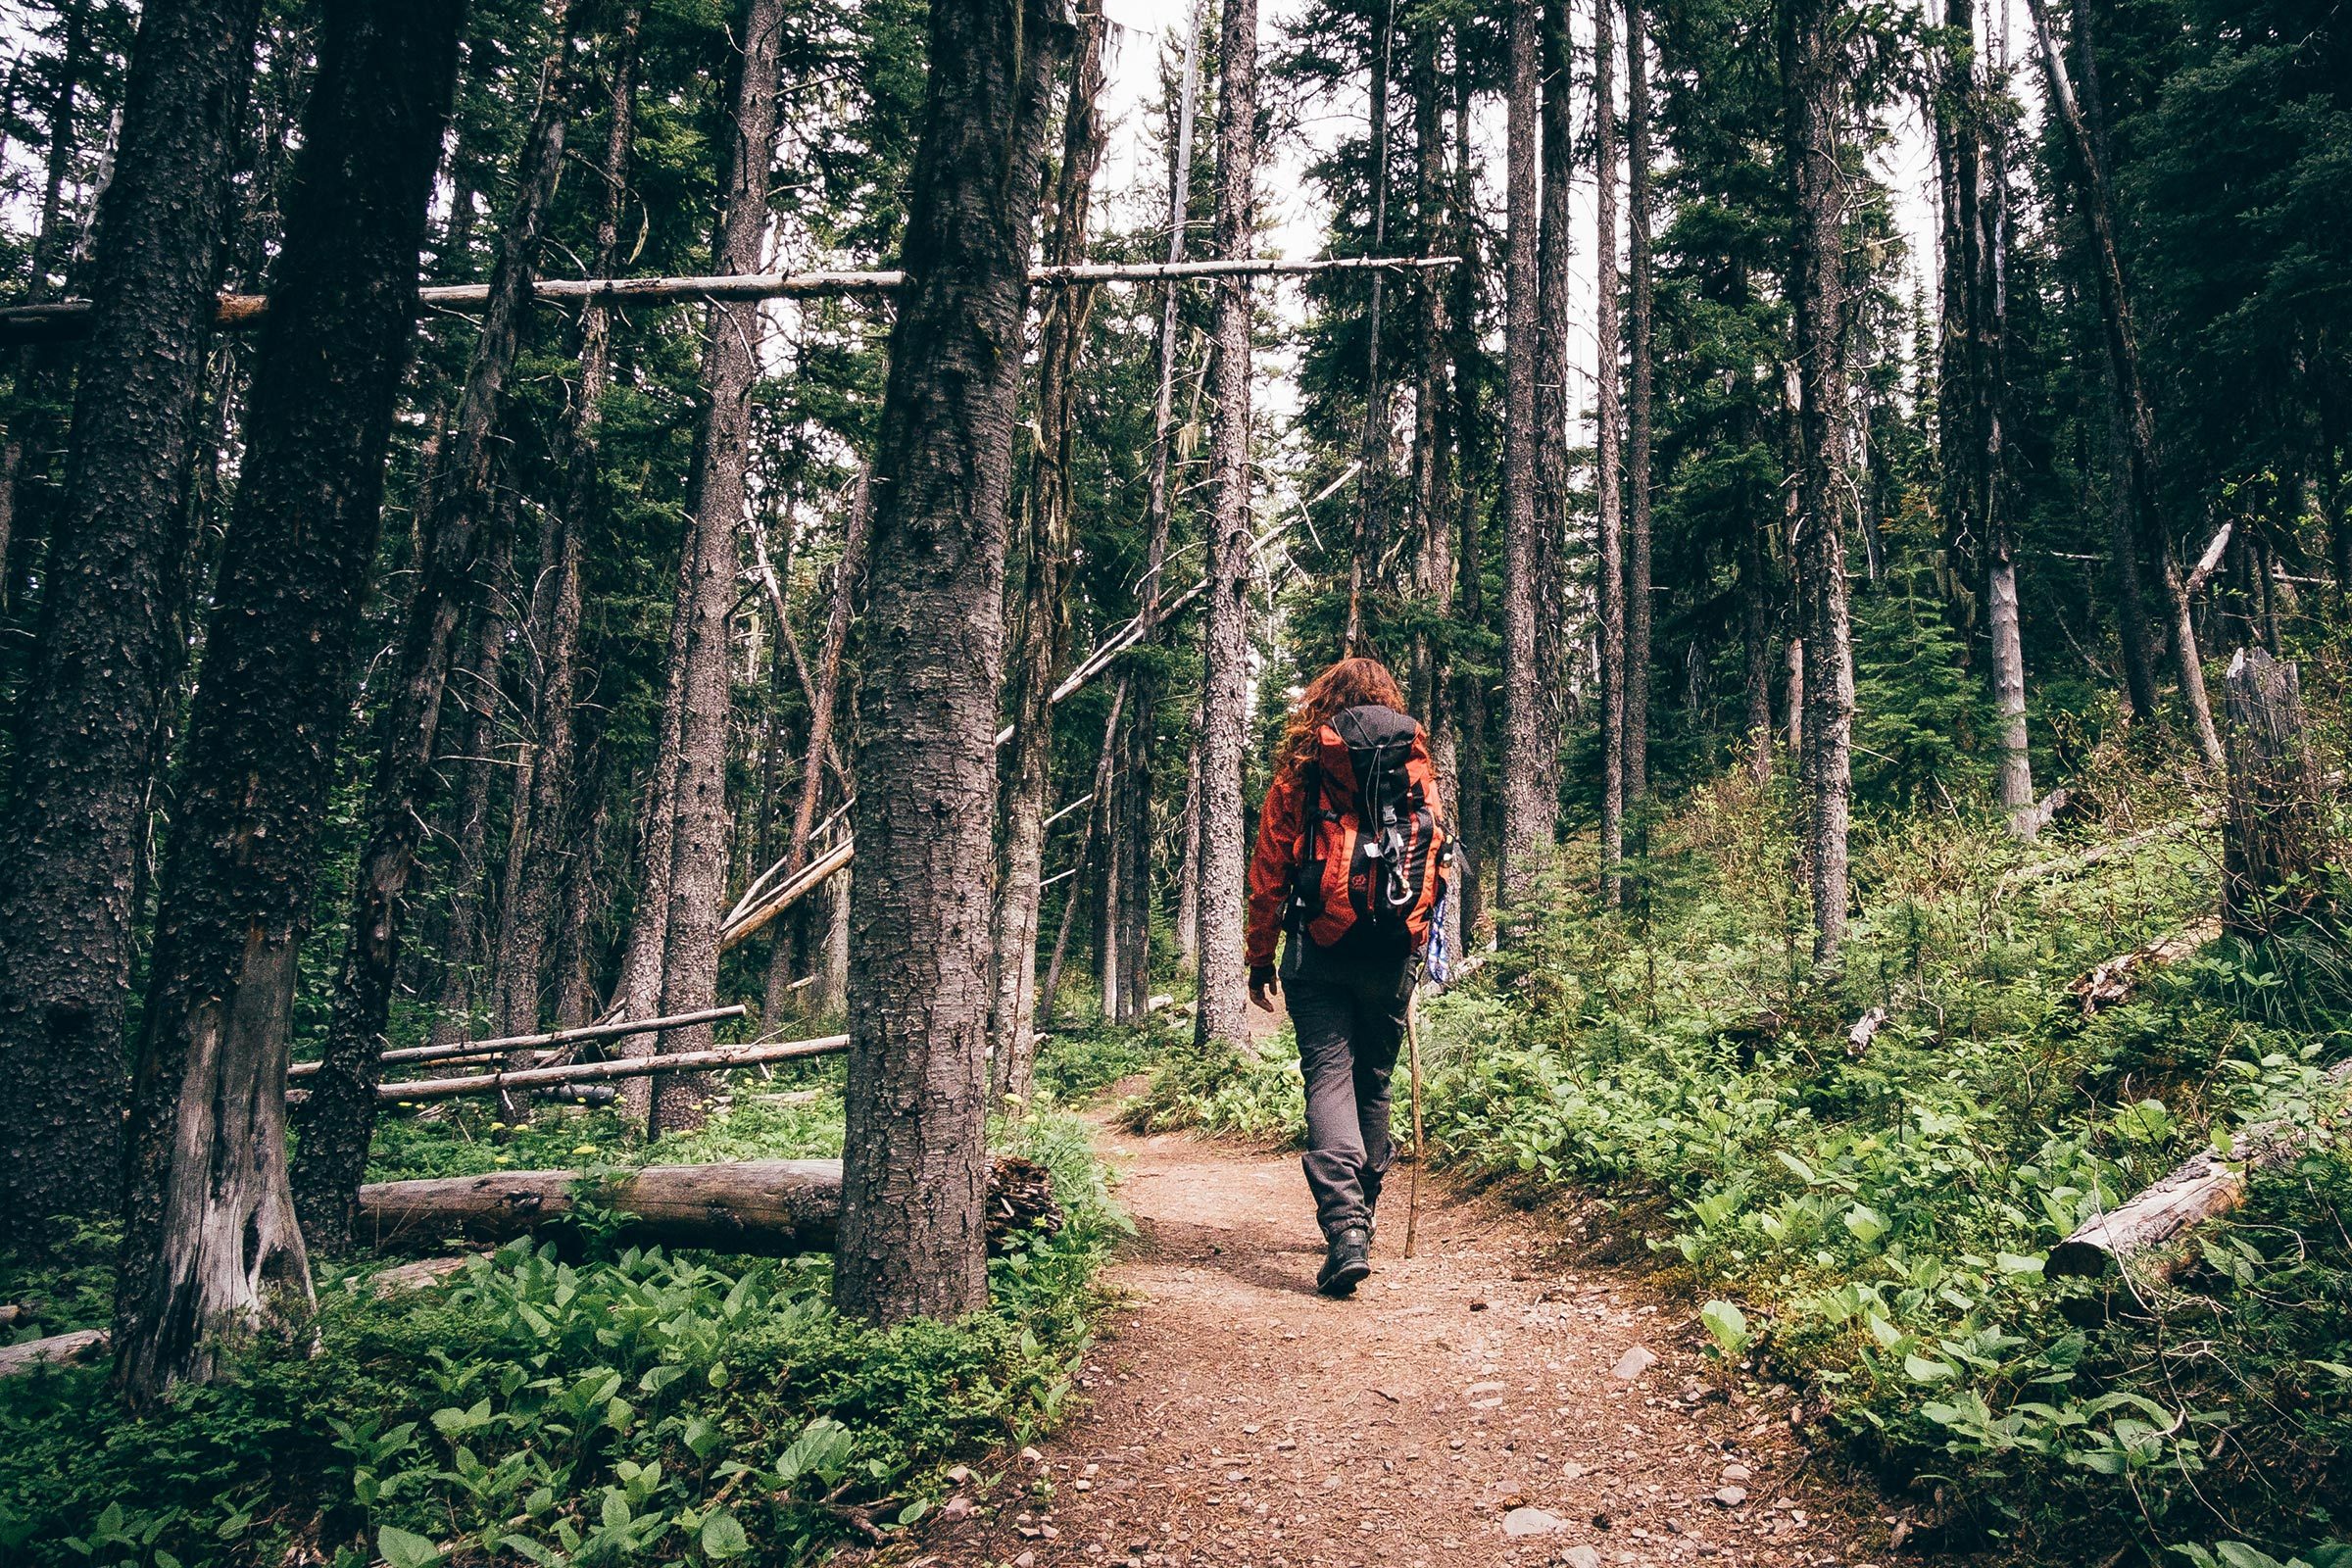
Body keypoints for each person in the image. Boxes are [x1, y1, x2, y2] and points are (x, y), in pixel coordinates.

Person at [1245, 657, 1448, 1298]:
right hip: (1393, 950)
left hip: (1319, 948)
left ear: (1323, 704)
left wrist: (1259, 957)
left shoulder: (1304, 771)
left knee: (1329, 1076)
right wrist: (1419, 940)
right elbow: (1436, 856)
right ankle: (1364, 1210)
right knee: (1374, 1082)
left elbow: (1269, 872)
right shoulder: (1413, 766)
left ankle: (1345, 1229)